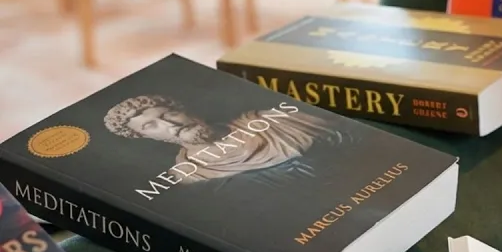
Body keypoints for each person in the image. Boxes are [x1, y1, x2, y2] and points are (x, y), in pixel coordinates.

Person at [103, 94, 351, 190]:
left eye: (168, 114)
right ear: (146, 137)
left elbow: (349, 139)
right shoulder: (188, 177)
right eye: (150, 126)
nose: (170, 125)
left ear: (182, 109)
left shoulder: (270, 120)